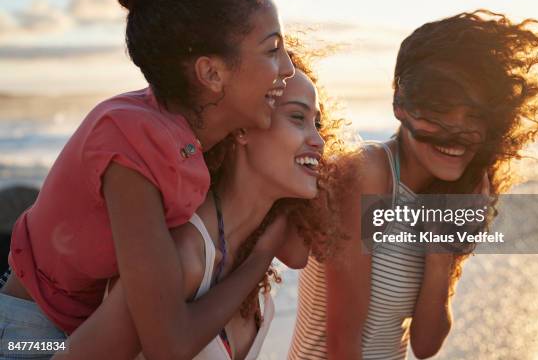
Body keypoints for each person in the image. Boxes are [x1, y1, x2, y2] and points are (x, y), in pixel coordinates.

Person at [0, 0, 295, 359]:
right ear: (210, 74)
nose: (288, 69)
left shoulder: (188, 131)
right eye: (273, 50)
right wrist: (260, 259)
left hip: (83, 329)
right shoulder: (133, 144)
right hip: (31, 333)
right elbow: (168, 345)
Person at [289, 10, 538, 359]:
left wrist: (441, 253)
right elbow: (342, 344)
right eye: (440, 110)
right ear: (400, 105)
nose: (456, 132)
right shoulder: (368, 175)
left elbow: (425, 344)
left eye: (473, 116)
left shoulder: (455, 193)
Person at [53, 50, 347, 360]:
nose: (319, 140)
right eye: (298, 118)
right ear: (245, 126)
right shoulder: (186, 252)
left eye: (316, 122)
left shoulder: (254, 252)